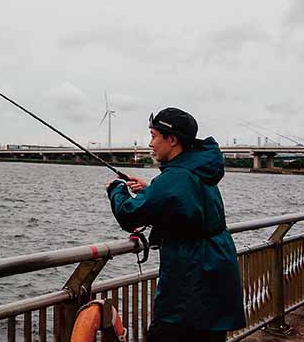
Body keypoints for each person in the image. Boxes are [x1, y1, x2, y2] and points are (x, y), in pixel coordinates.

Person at [105, 107, 246, 342]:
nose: (150, 143)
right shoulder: (199, 169)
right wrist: (151, 191)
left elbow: (129, 214)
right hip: (216, 274)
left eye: (153, 136)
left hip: (190, 284)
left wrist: (116, 189)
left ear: (172, 140)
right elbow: (188, 207)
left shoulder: (175, 178)